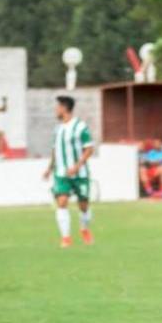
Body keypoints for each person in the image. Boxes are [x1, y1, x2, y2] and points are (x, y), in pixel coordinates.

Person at [41, 96, 94, 248]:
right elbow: (55, 150)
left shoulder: (80, 126)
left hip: (80, 173)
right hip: (61, 173)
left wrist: (77, 166)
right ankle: (66, 238)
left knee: (83, 205)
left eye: (57, 107)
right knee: (62, 202)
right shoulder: (57, 129)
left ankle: (84, 229)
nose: (55, 110)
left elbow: (89, 149)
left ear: (64, 108)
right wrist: (49, 168)